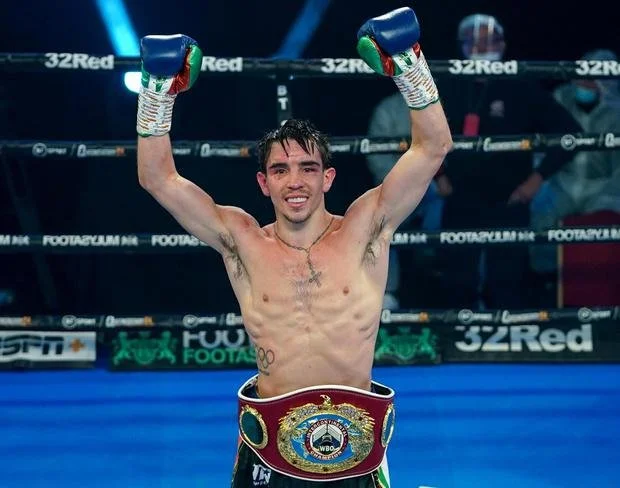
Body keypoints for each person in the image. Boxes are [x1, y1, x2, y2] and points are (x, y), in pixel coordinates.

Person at [136, 6, 451, 487]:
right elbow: (158, 178)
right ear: (264, 183)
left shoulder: (366, 228)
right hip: (270, 456)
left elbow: (432, 148)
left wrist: (410, 66)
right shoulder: (241, 240)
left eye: (307, 168)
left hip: (356, 454)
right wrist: (156, 93)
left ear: (328, 178)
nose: (295, 182)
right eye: (280, 170)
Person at [433, 13, 581, 309]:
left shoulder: (521, 85)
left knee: (507, 284)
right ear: (463, 45)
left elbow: (570, 132)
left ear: (501, 44)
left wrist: (537, 179)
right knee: (457, 281)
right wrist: (439, 175)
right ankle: (458, 335)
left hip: (511, 198)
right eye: (474, 42)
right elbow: (422, 134)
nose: (481, 48)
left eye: (488, 41)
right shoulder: (447, 84)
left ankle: (507, 336)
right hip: (460, 197)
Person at [530, 48, 620, 274]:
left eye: (591, 79)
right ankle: (546, 279)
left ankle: (600, 284)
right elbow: (543, 143)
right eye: (581, 76)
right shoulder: (561, 98)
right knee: (540, 216)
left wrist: (607, 198)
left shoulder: (616, 112)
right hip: (563, 182)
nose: (582, 83)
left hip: (603, 186)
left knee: (604, 229)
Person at [366, 89, 444, 310]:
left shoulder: (436, 105)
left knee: (444, 199)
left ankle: (431, 256)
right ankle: (388, 291)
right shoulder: (387, 110)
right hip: (395, 188)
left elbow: (445, 148)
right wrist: (403, 184)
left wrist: (436, 178)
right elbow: (376, 159)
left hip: (431, 186)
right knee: (381, 219)